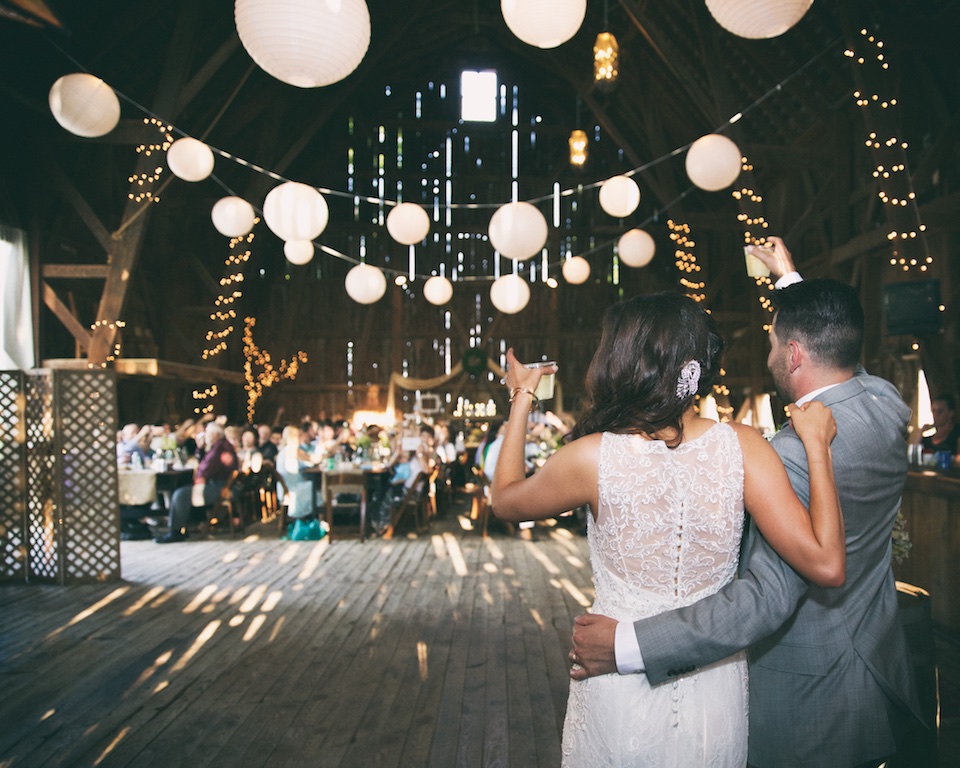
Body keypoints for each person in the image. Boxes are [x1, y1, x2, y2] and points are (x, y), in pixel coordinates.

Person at [570, 237, 924, 768]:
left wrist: (628, 647)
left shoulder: (789, 453)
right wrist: (790, 284)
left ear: (795, 354)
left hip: (807, 698)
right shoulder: (885, 406)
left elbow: (764, 597)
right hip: (875, 666)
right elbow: (842, 354)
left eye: (776, 345)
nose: (771, 355)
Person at [492, 289, 846, 767]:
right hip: (713, 683)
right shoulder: (744, 447)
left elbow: (505, 498)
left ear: (621, 362)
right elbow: (827, 564)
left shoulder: (593, 456)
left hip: (617, 675)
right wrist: (817, 447)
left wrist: (522, 394)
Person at [155, 421, 238, 543]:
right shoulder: (219, 446)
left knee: (180, 494)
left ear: (215, 434)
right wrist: (200, 448)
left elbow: (204, 471)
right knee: (182, 490)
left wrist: (195, 479)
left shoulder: (219, 448)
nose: (205, 436)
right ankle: (187, 525)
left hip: (219, 488)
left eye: (207, 433)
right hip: (220, 485)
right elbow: (203, 463)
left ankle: (175, 532)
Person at [910, 392, 960, 457]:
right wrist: (920, 432)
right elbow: (912, 454)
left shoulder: (957, 432)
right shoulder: (927, 440)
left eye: (940, 411)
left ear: (951, 413)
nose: (936, 415)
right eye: (933, 411)